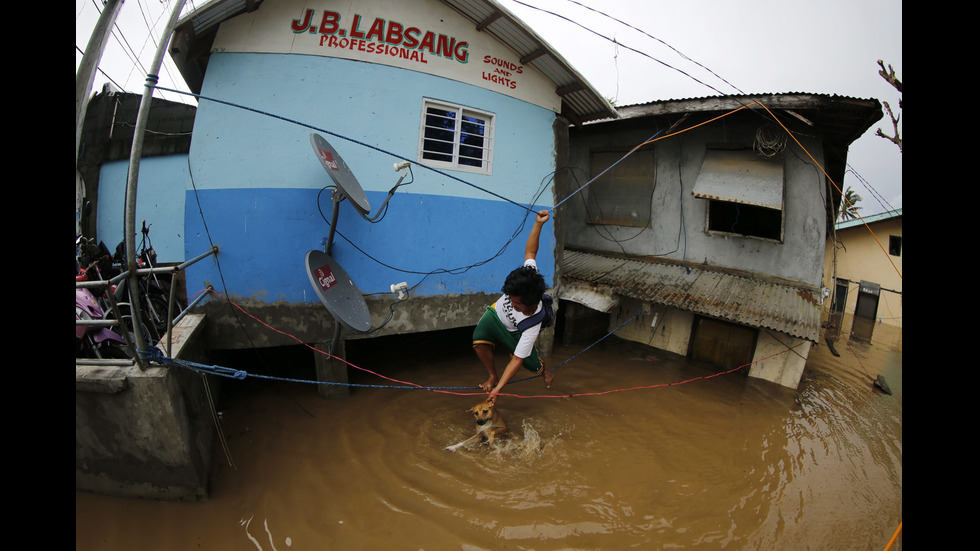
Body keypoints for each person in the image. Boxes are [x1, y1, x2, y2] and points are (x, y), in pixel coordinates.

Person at [472, 209, 554, 404]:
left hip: (516, 331)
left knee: (531, 365)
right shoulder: (530, 274)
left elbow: (516, 360)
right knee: (478, 342)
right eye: (510, 298)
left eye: (516, 302)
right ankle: (492, 375)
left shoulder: (533, 324)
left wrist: (499, 391)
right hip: (495, 317)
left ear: (531, 302)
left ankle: (545, 370)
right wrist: (538, 224)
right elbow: (531, 252)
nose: (511, 303)